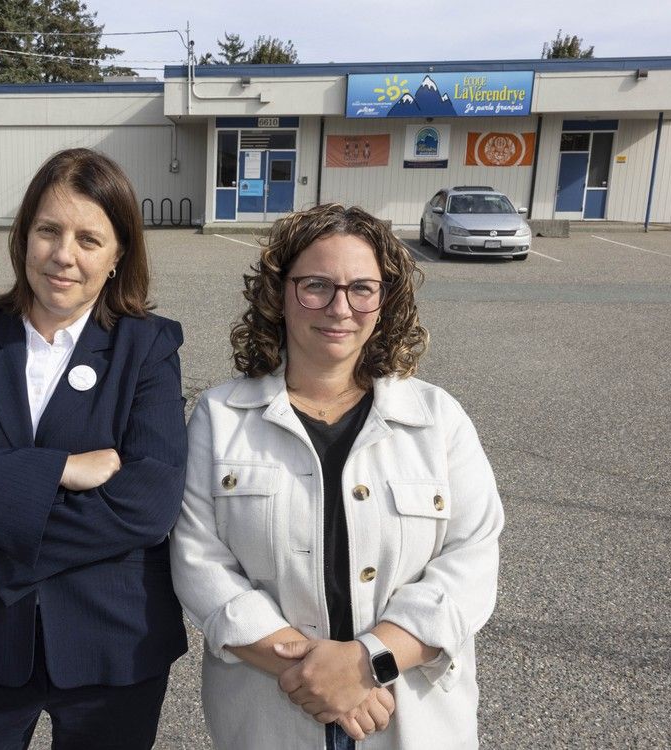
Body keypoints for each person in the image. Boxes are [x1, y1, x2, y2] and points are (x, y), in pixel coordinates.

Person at [0, 148, 188, 750]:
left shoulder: (147, 348)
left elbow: (148, 502)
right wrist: (61, 470)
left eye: (89, 239)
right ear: (24, 237)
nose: (64, 255)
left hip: (111, 646)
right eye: (49, 230)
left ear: (119, 253)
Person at [170, 203, 504, 750]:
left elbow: (472, 559)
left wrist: (367, 664)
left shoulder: (437, 418)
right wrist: (321, 678)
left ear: (385, 299)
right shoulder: (220, 417)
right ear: (279, 292)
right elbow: (199, 562)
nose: (339, 307)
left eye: (361, 288)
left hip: (411, 719)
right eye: (316, 285)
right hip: (271, 716)